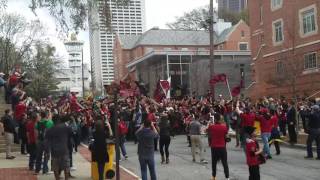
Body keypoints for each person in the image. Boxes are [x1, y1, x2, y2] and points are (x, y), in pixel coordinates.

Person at [46, 114, 73, 180]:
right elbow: (71, 133)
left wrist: (47, 152)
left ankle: (57, 178)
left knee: (55, 167)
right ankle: (66, 178)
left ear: (53, 120)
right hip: (64, 150)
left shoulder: (50, 130)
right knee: (66, 167)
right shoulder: (65, 127)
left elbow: (47, 142)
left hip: (54, 152)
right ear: (59, 120)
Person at [207, 113, 230, 180]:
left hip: (214, 147)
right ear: (220, 119)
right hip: (222, 146)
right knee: (224, 163)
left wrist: (210, 123)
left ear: (215, 119)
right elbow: (226, 136)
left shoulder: (212, 127)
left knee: (214, 163)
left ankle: (214, 177)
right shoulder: (224, 127)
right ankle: (227, 177)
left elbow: (206, 131)